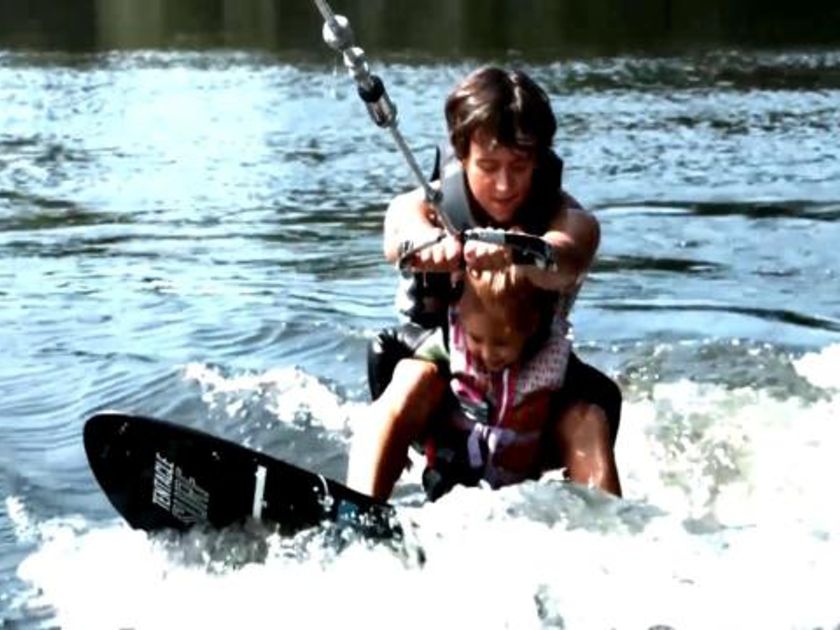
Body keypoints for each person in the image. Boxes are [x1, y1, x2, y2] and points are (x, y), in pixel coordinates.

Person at [347, 66, 622, 501]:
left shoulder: (567, 217)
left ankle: (612, 527)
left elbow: (567, 255)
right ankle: (358, 510)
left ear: (539, 161)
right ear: (462, 156)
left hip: (537, 389)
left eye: (519, 166)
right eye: (488, 167)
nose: (504, 185)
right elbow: (398, 228)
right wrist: (429, 243)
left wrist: (519, 252)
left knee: (588, 419)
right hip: (443, 384)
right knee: (410, 381)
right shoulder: (430, 204)